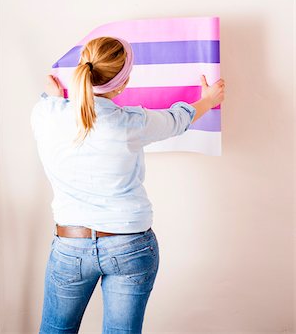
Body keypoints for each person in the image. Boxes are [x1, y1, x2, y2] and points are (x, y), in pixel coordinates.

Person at [30, 35, 225, 334]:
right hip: (130, 244)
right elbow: (176, 119)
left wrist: (54, 96)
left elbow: (61, 110)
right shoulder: (130, 123)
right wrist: (209, 100)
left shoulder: (45, 113)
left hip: (69, 245)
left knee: (56, 331)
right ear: (123, 83)